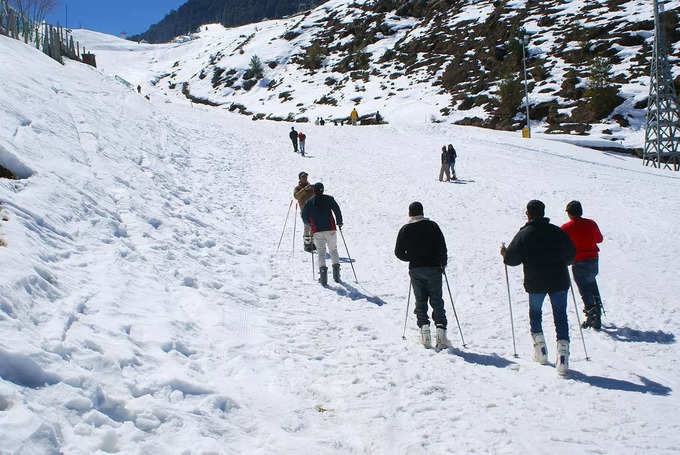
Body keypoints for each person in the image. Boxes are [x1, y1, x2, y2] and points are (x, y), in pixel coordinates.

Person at [501, 200, 576, 376]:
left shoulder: (524, 234)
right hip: (559, 280)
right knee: (560, 316)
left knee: (535, 313)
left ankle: (540, 350)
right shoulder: (557, 231)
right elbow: (572, 254)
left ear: (528, 214)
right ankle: (563, 356)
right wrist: (562, 262)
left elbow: (511, 259)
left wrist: (504, 253)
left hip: (536, 282)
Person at [394, 202, 450, 349]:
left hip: (416, 269)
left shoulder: (405, 229)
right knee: (437, 300)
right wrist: (442, 262)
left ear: (409, 213)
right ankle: (441, 334)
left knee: (420, 300)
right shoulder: (433, 226)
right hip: (434, 267)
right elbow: (442, 246)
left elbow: (398, 252)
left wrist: (411, 257)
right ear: (422, 212)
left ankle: (425, 332)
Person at [561, 201, 604, 330]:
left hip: (578, 261)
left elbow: (562, 244)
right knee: (591, 283)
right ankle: (597, 309)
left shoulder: (566, 227)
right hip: (593, 259)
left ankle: (592, 315)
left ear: (569, 213)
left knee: (584, 289)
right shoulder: (591, 223)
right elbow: (599, 239)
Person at [301, 183, 343, 286]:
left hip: (317, 230)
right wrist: (339, 221)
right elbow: (337, 210)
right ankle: (336, 275)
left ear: (314, 190)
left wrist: (309, 223)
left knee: (321, 252)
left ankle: (323, 278)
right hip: (331, 229)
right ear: (323, 190)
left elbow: (304, 215)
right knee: (333, 250)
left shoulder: (309, 202)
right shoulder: (329, 199)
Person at [293, 172, 315, 252]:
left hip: (313, 210)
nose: (305, 178)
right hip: (304, 210)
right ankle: (307, 244)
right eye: (303, 177)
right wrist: (304, 190)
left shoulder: (311, 187)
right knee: (307, 227)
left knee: (313, 227)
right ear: (299, 178)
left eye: (306, 177)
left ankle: (313, 243)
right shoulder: (298, 188)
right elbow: (296, 196)